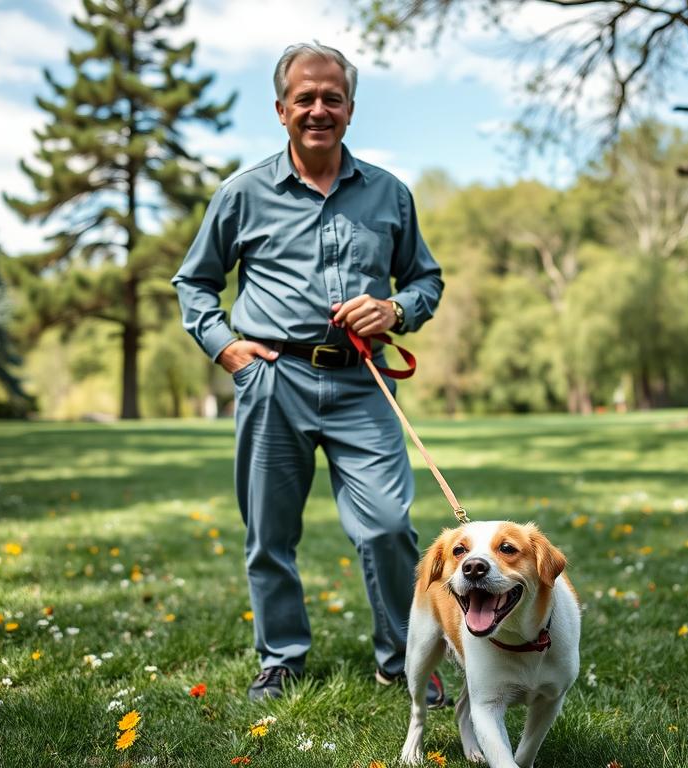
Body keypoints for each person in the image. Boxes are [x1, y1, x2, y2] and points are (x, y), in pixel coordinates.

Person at [172, 42, 445, 703]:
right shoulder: (242, 194)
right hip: (274, 382)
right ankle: (281, 657)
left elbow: (426, 280)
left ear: (350, 109)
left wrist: (394, 308)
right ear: (281, 109)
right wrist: (226, 348)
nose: (319, 109)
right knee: (270, 533)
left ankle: (400, 659)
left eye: (332, 98)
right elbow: (195, 282)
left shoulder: (389, 194)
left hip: (364, 383)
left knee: (387, 526)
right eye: (305, 98)